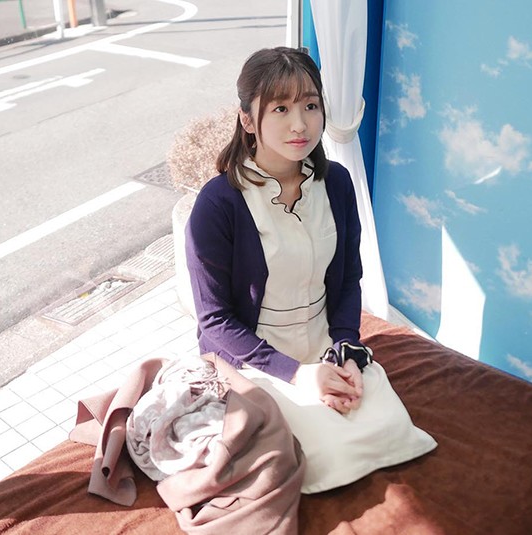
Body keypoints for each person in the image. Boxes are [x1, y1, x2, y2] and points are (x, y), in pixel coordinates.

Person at [185, 46, 435, 492]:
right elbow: (215, 320)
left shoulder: (336, 182)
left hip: (322, 341)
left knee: (391, 430)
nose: (300, 124)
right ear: (248, 120)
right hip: (254, 355)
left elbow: (348, 279)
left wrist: (345, 349)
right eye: (280, 108)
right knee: (327, 455)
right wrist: (299, 374)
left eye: (310, 105)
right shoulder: (218, 203)